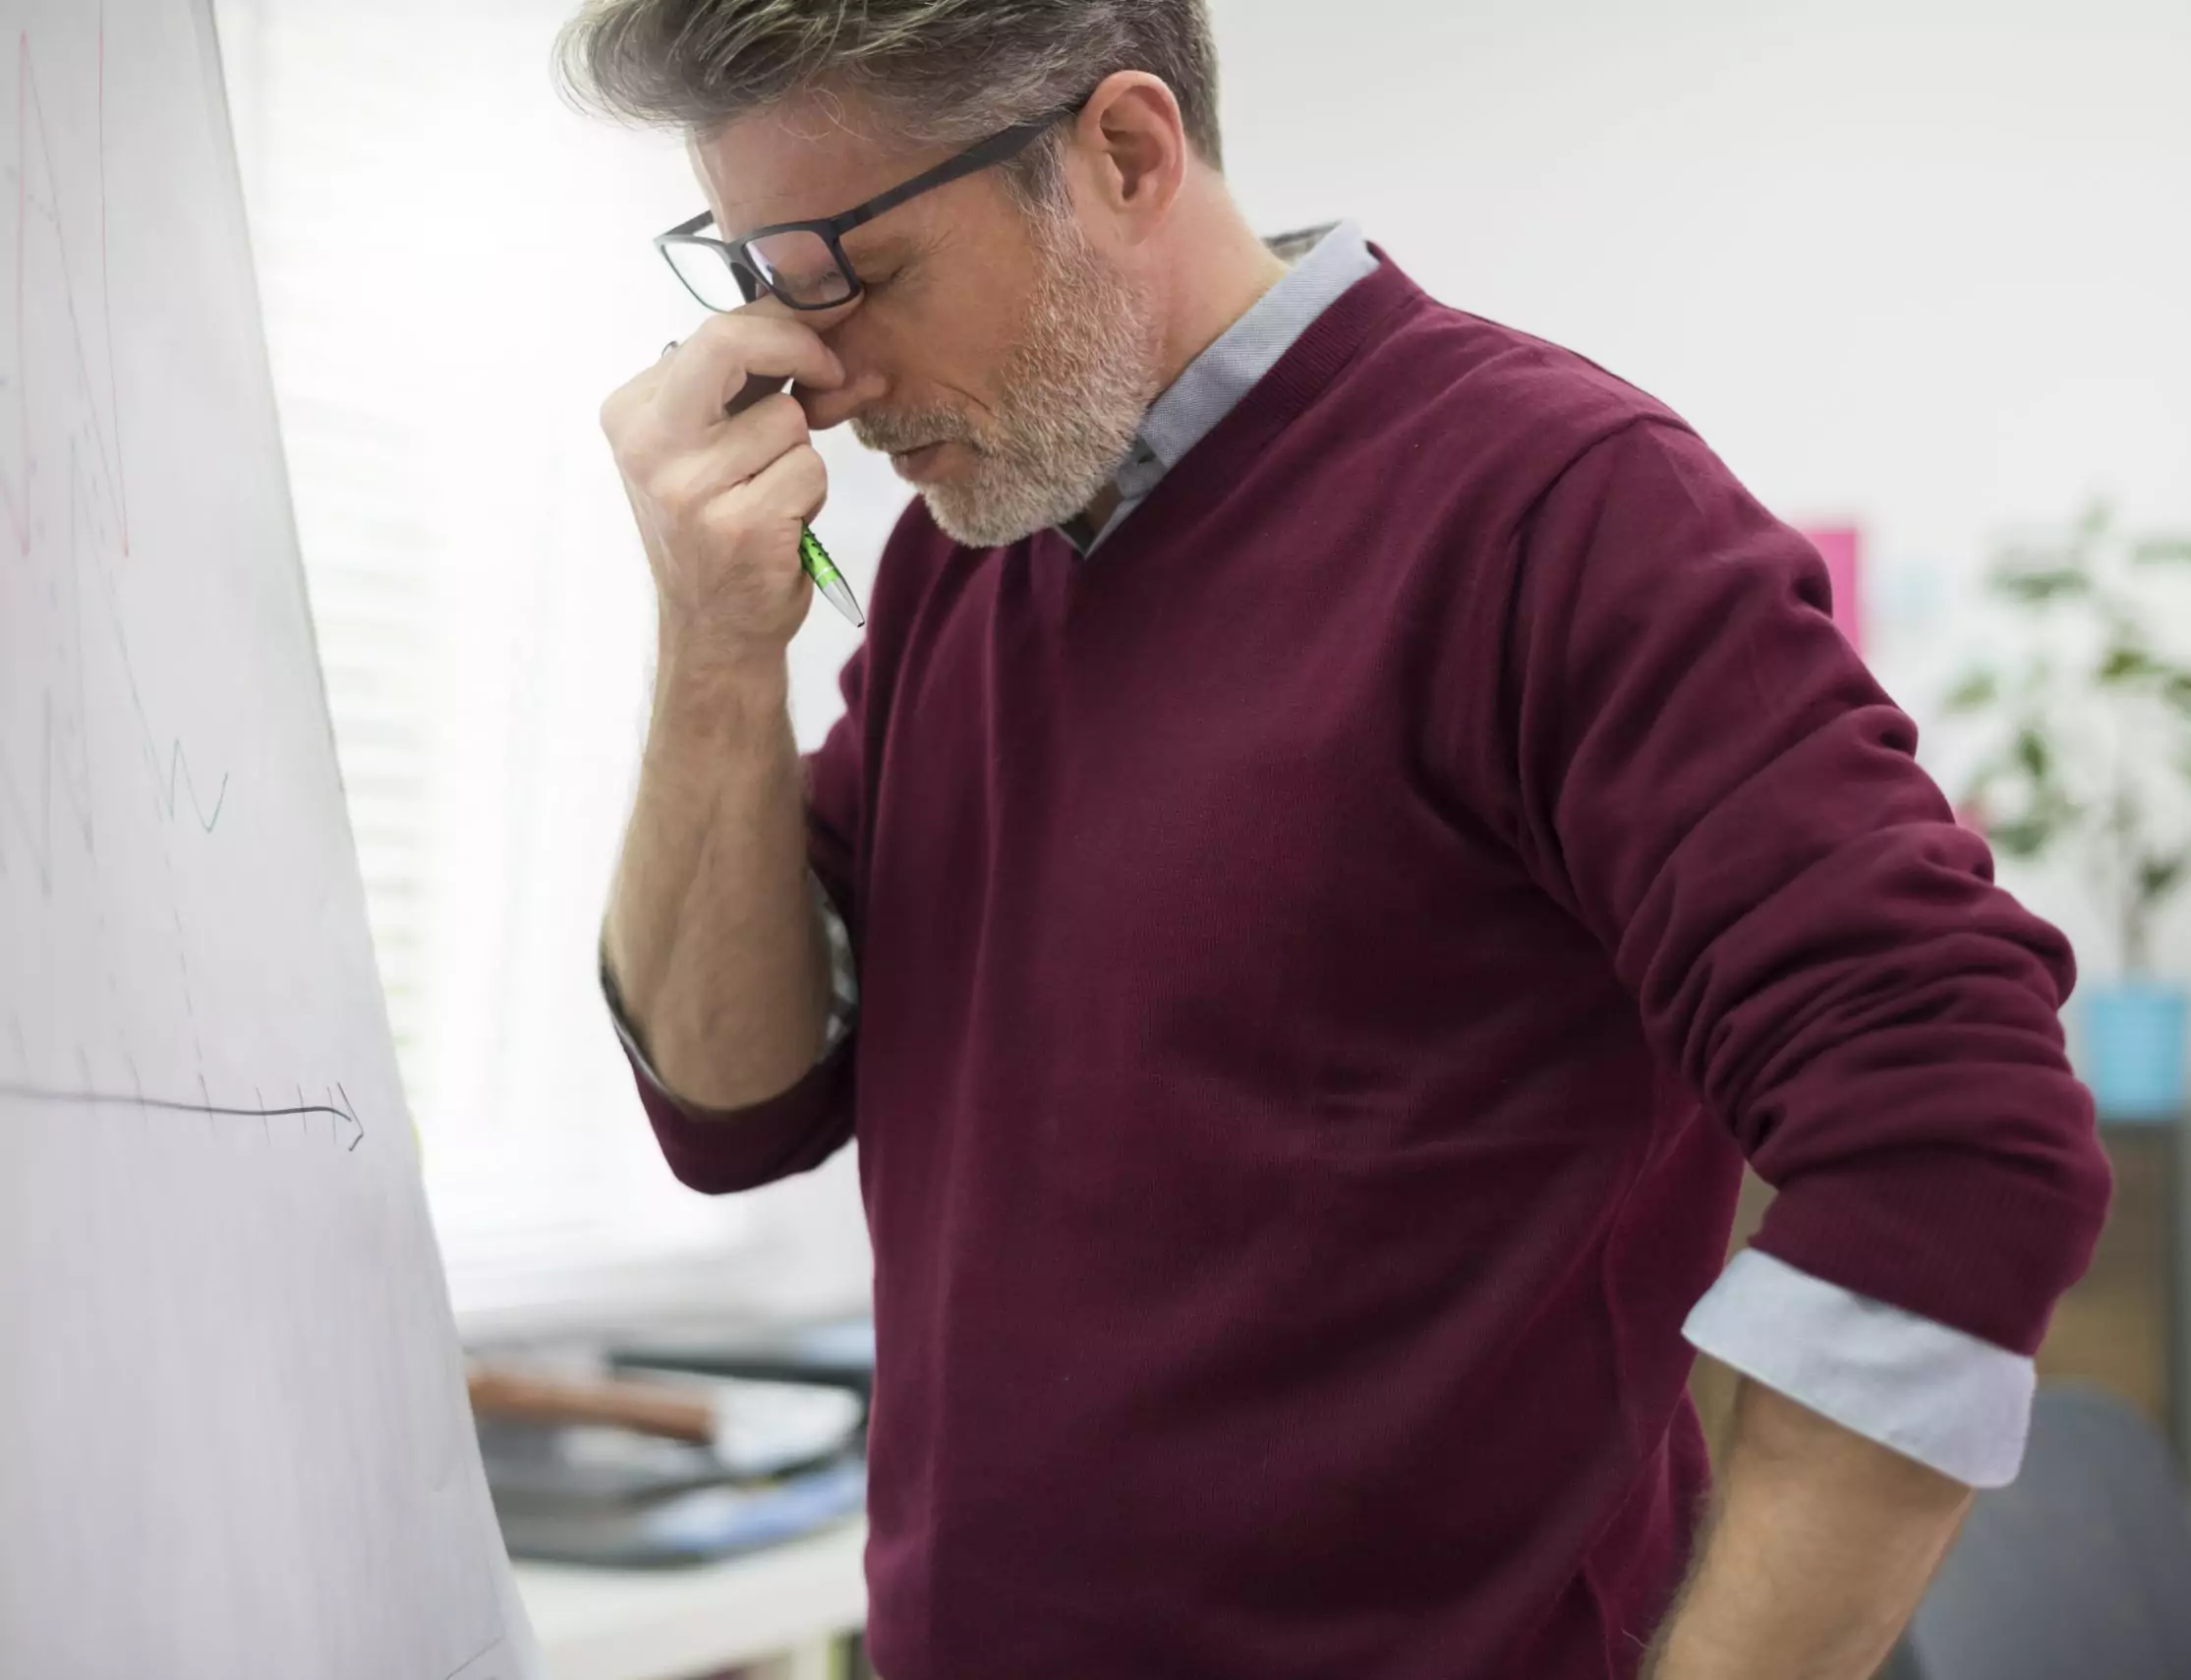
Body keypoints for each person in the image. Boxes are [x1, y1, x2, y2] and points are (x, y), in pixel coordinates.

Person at [565, 4, 2111, 1676]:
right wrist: (715, 644)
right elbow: (736, 1102)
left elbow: (1959, 1131)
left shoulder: (1549, 505)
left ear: (1127, 154)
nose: (826, 372)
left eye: (854, 270)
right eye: (762, 282)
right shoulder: (971, 553)